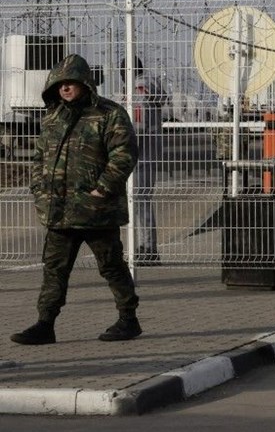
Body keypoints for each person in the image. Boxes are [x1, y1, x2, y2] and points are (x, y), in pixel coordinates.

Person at [10, 54, 142, 345]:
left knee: (111, 266)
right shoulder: (53, 117)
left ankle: (128, 319)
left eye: (71, 82)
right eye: (60, 83)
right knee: (54, 269)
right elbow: (39, 158)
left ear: (85, 83)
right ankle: (45, 324)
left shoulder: (109, 114)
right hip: (59, 211)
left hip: (97, 211)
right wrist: (38, 188)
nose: (65, 88)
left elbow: (124, 154)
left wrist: (103, 189)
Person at [120, 56, 167, 266]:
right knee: (141, 202)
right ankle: (146, 247)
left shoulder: (139, 91)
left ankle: (147, 249)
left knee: (139, 202)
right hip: (148, 153)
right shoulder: (149, 89)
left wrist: (120, 139)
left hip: (138, 154)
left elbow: (137, 124)